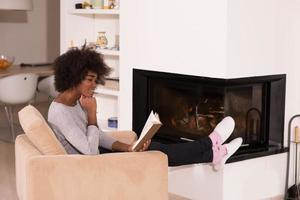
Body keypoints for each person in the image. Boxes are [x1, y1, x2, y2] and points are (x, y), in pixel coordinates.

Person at [47, 47, 243, 171]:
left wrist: (129, 147)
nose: (94, 85)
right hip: (88, 165)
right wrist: (91, 114)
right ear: (73, 78)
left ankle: (214, 150)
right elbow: (89, 151)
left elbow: (97, 137)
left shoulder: (75, 102)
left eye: (95, 80)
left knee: (155, 146)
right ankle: (213, 146)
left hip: (97, 156)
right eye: (90, 80)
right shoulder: (60, 112)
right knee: (155, 153)